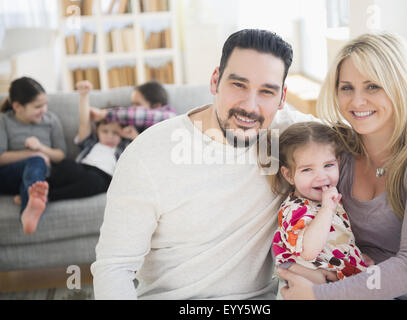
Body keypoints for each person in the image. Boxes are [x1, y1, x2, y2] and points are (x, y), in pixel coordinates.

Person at [91, 29, 317, 299]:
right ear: (215, 81)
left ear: (282, 98)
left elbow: (358, 142)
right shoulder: (149, 153)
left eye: (267, 91)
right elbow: (115, 267)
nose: (250, 106)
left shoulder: (290, 138)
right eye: (238, 85)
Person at [277, 32, 407, 300]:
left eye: (373, 86)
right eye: (347, 87)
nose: (357, 102)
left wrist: (320, 294)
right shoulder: (336, 151)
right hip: (356, 286)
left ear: (399, 86)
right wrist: (306, 273)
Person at [271, 122, 373, 288]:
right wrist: (326, 209)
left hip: (344, 283)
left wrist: (357, 258)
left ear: (338, 163)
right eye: (307, 170)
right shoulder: (295, 210)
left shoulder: (330, 199)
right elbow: (309, 251)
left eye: (328, 165)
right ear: (289, 175)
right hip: (313, 288)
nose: (321, 176)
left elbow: (336, 240)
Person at [38, 80, 131, 203]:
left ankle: (48, 196)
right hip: (83, 168)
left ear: (122, 132)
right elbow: (83, 122)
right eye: (105, 131)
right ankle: (38, 190)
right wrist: (84, 96)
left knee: (92, 182)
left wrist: (131, 133)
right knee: (66, 165)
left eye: (115, 133)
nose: (110, 136)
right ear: (96, 130)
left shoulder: (124, 147)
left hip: (103, 177)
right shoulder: (92, 143)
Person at [0, 77, 66, 235]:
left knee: (35, 174)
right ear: (17, 107)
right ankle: (31, 201)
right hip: (9, 175)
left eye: (45, 104)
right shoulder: (4, 121)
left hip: (40, 175)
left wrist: (41, 148)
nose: (44, 109)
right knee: (35, 162)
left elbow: (61, 155)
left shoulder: (51, 120)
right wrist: (33, 154)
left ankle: (27, 211)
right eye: (38, 106)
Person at [89, 81, 176, 140]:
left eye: (137, 104)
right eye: (132, 104)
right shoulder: (140, 127)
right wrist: (136, 138)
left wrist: (104, 114)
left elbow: (138, 115)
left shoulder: (168, 116)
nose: (132, 109)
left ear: (156, 106)